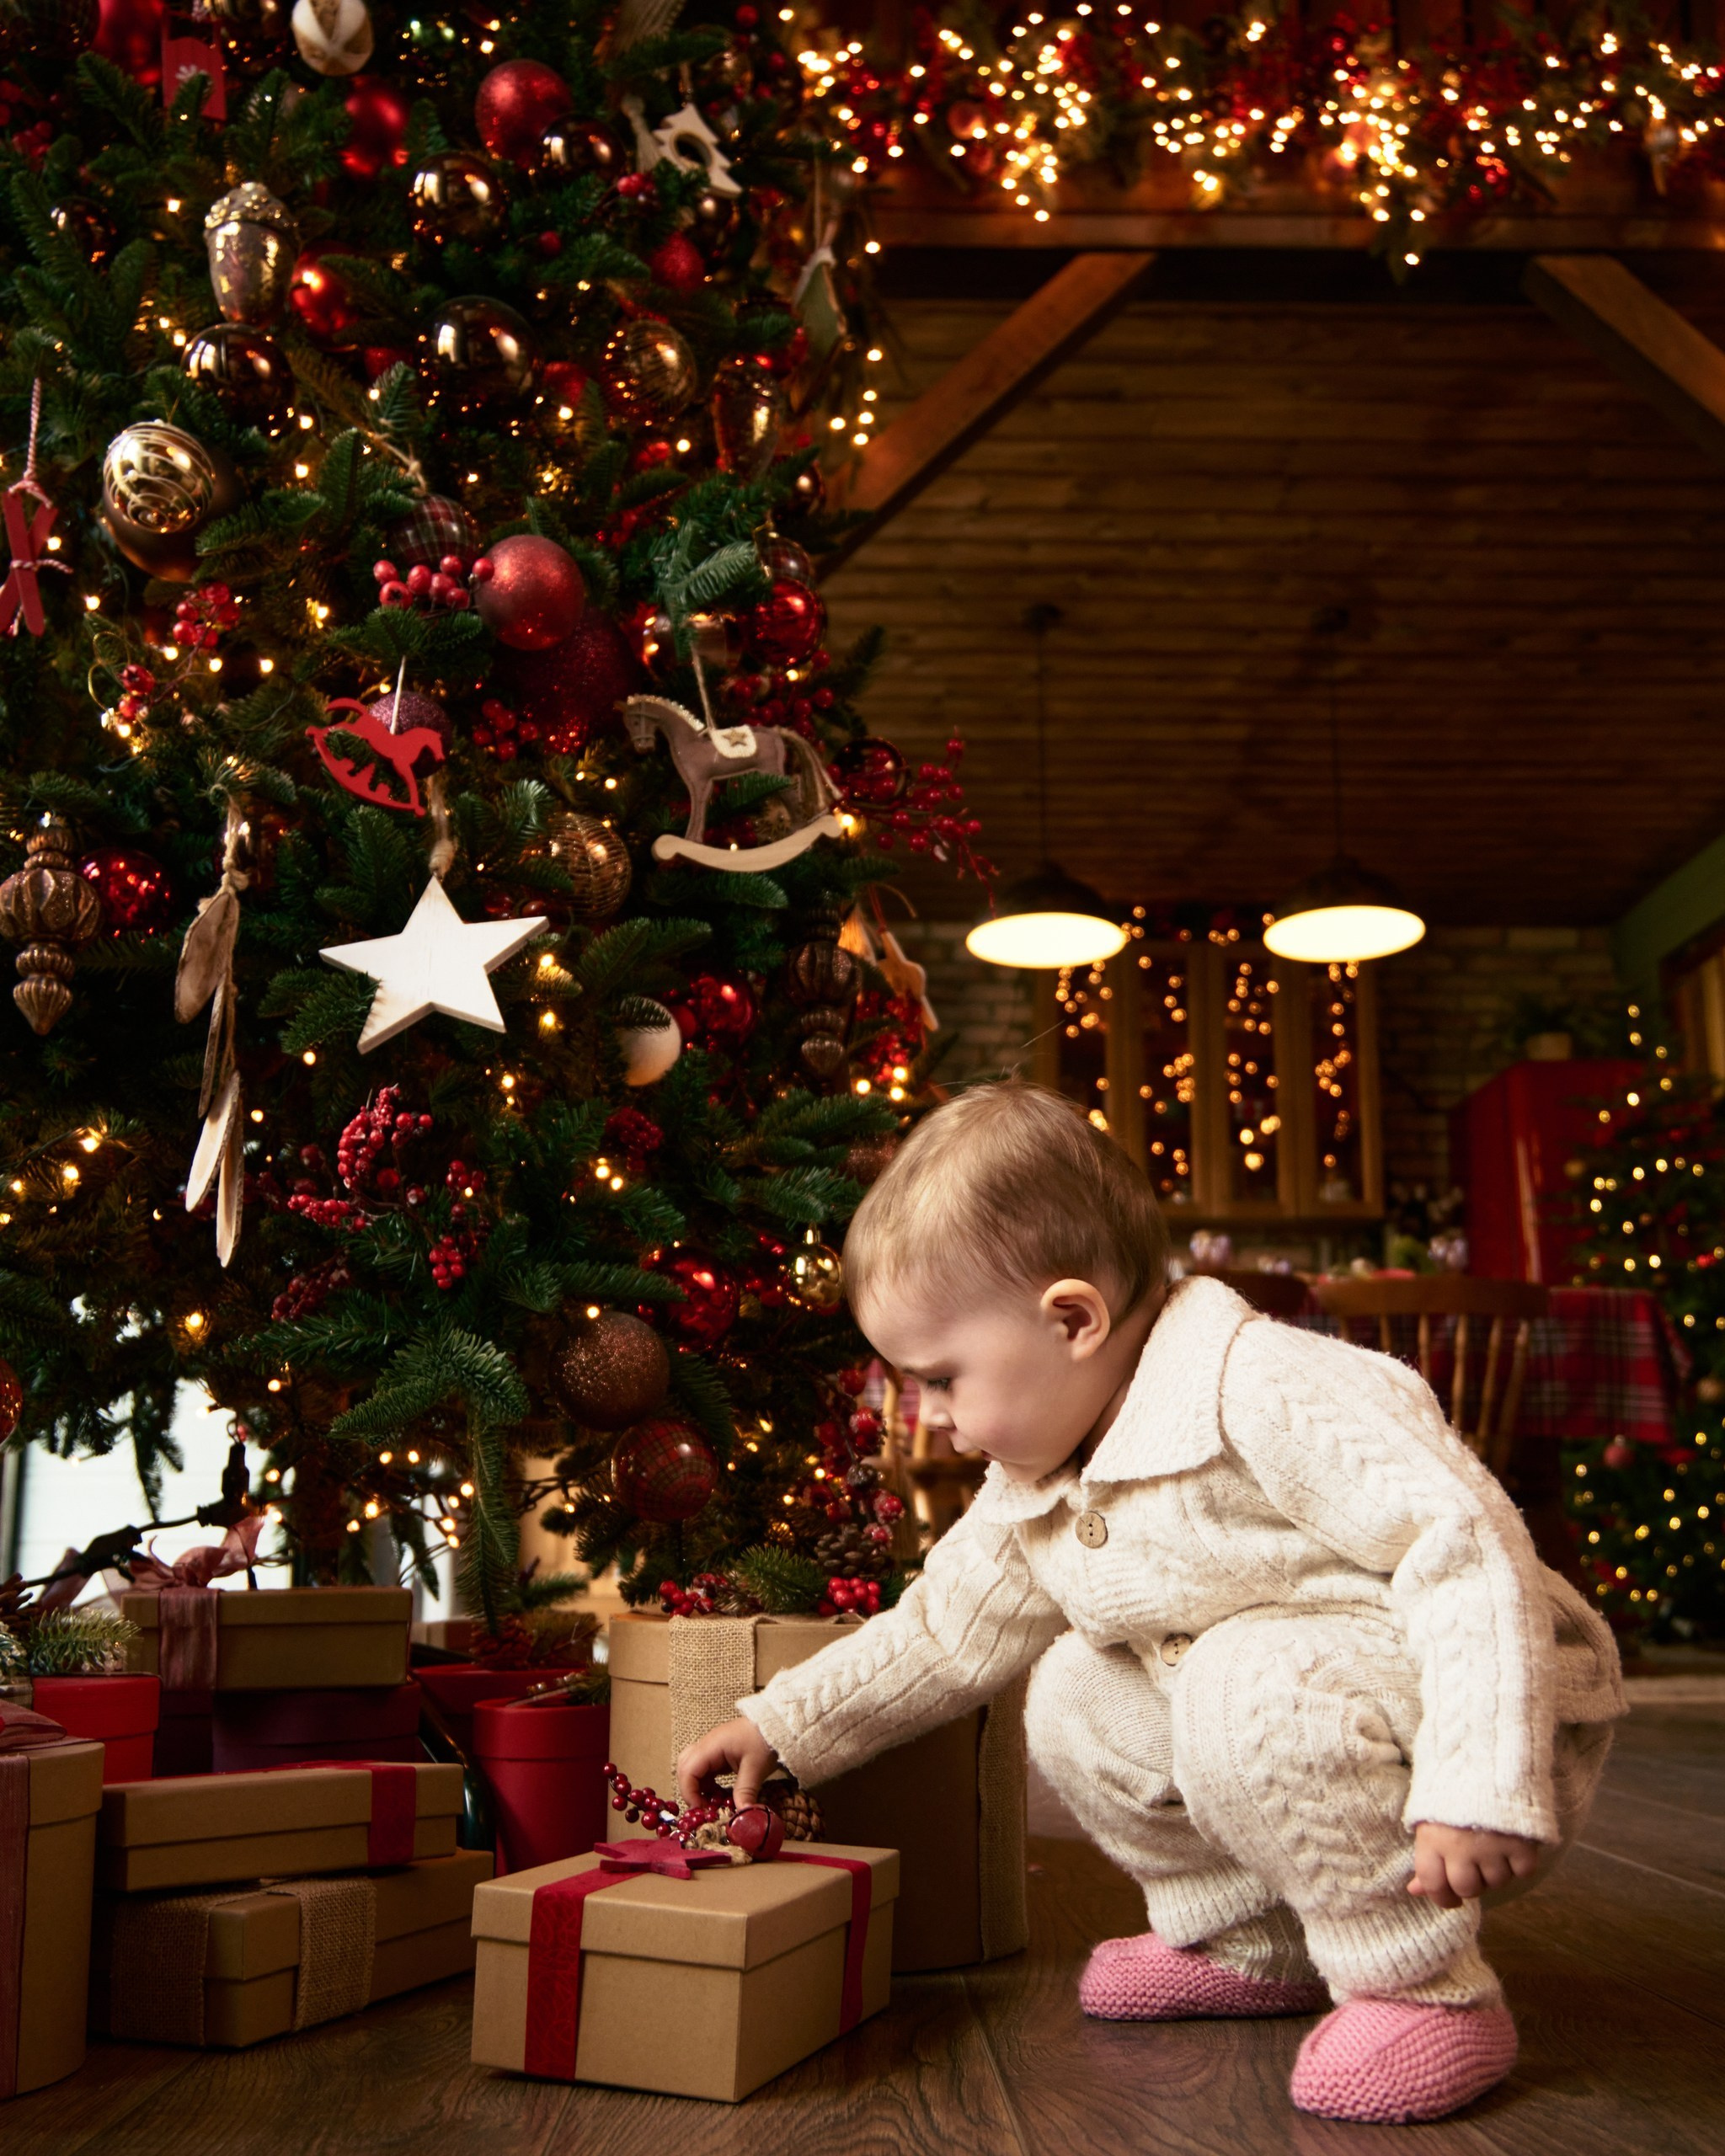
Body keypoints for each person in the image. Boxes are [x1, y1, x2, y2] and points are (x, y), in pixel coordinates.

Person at [677, 1081, 1622, 2126]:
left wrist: (1480, 1774)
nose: (929, 1417)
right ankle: (1250, 1942)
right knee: (1075, 1686)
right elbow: (943, 1634)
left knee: (1242, 1679)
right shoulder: (1036, 1485)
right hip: (1288, 1712)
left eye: (941, 1378)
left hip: (1480, 1711)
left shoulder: (1266, 1386)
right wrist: (784, 1721)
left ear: (1071, 1319)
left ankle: (1422, 1989)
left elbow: (1463, 1545)